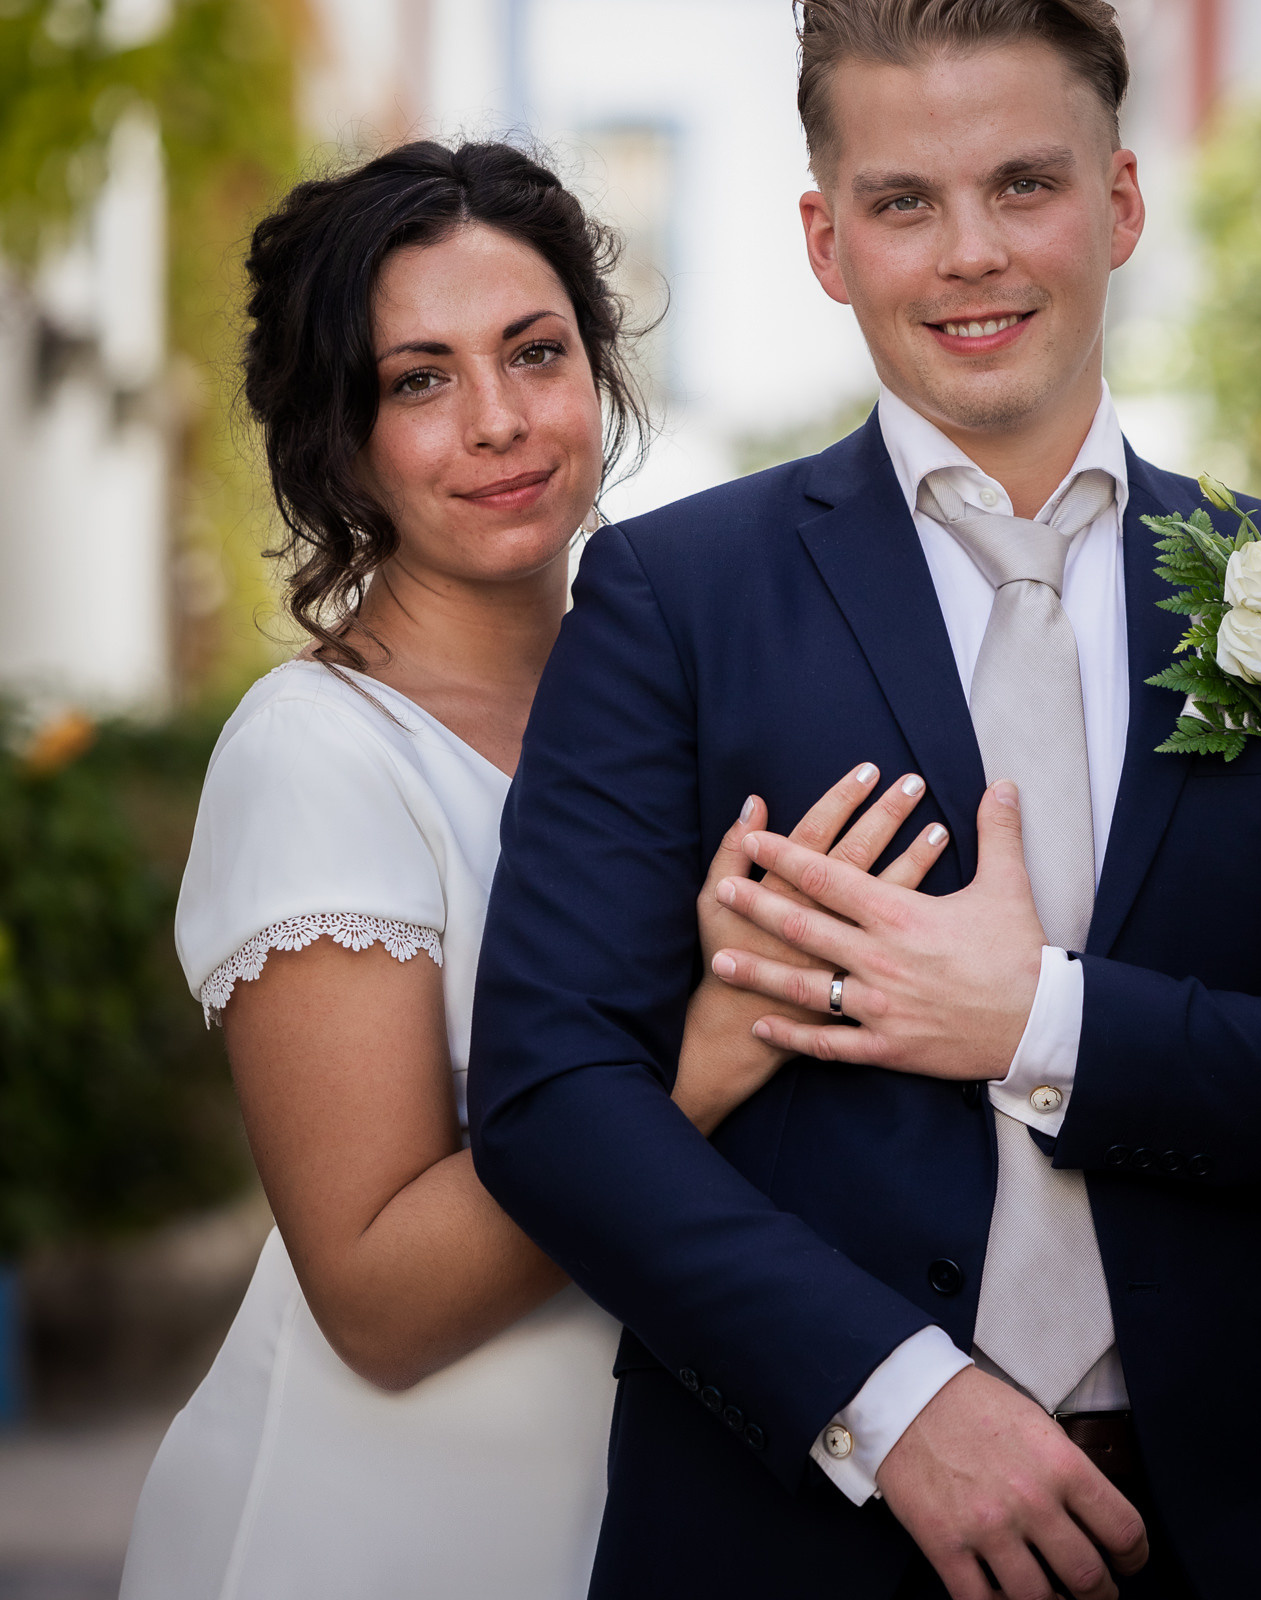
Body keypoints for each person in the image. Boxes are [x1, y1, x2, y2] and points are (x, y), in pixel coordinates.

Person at [468, 4, 1261, 1599]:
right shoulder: (675, 597)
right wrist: (893, 1400)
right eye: (903, 201)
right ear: (826, 240)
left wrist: (1039, 1021)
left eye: (1025, 183)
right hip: (800, 1520)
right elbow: (551, 1097)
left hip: (1237, 1524)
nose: (971, 254)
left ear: (1121, 201)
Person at [118, 139, 948, 1600]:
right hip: (387, 1528)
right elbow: (376, 1298)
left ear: (598, 370)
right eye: (418, 380)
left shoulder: (684, 705)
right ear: (340, 436)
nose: (498, 421)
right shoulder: (321, 755)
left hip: (664, 1515)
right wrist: (693, 1066)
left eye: (535, 352)